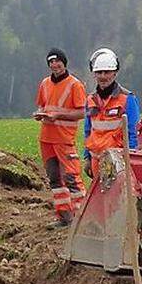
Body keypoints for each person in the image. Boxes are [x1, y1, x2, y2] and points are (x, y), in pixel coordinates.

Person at [33, 48, 87, 228]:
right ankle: (64, 217)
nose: (54, 65)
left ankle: (83, 218)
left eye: (57, 61)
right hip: (46, 138)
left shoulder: (75, 85)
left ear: (64, 63)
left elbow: (81, 112)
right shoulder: (44, 83)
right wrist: (41, 114)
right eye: (51, 62)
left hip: (65, 138)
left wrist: (58, 116)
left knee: (72, 178)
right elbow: (42, 105)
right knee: (55, 178)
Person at [83, 48, 139, 179]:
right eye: (99, 72)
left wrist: (131, 158)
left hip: (118, 161)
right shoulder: (90, 100)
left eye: (107, 72)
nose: (103, 76)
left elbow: (134, 131)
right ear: (94, 74)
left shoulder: (127, 99)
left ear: (115, 73)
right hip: (96, 160)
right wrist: (87, 157)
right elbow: (88, 131)